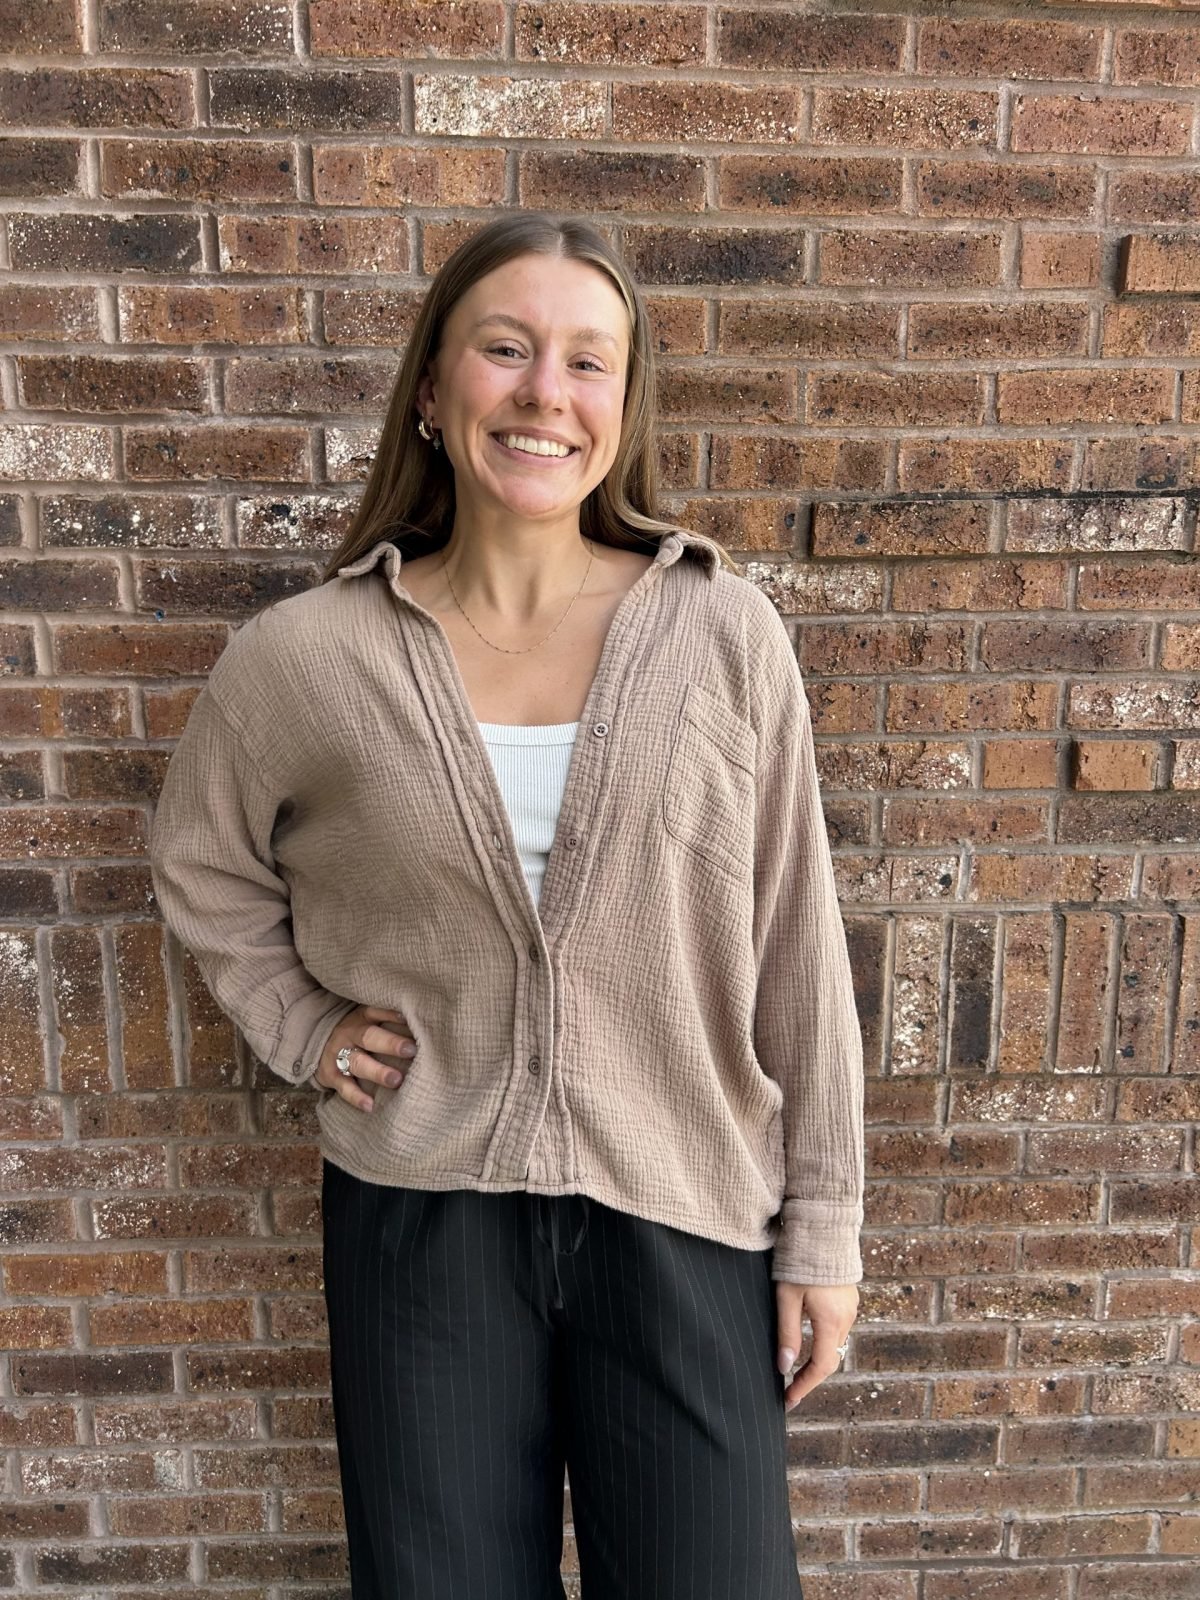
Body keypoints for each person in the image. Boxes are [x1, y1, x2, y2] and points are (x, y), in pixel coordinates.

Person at [149, 211, 865, 1600]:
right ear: (432, 389)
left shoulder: (723, 634)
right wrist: (301, 1024)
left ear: (622, 408)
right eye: (507, 348)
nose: (547, 392)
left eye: (590, 363)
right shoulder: (309, 658)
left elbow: (797, 944)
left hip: (686, 1211)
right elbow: (201, 863)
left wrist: (823, 1231)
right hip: (422, 1224)